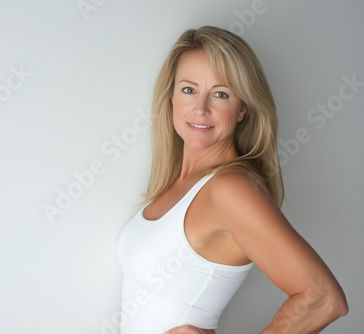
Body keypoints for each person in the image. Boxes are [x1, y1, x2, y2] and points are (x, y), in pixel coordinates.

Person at [116, 26, 348, 334]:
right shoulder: (178, 185)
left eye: (220, 94)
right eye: (188, 90)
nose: (200, 108)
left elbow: (323, 298)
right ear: (171, 96)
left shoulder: (230, 188)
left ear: (242, 110)